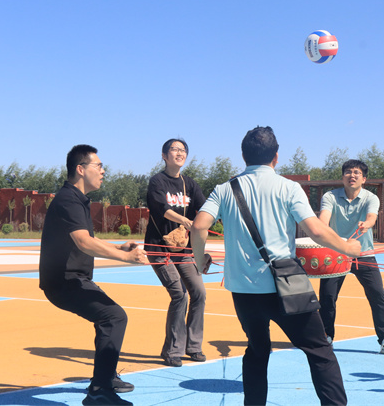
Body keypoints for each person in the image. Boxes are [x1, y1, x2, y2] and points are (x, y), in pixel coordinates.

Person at [190, 126, 361, 406]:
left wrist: (200, 260)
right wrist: (348, 248)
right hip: (286, 287)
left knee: (257, 350)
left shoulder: (224, 189)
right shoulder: (288, 187)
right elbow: (316, 231)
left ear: (243, 156)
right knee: (319, 351)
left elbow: (199, 226)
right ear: (276, 157)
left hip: (244, 291)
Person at [39, 144, 148, 406]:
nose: (103, 171)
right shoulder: (68, 200)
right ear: (80, 169)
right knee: (113, 316)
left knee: (110, 317)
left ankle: (105, 378)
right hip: (64, 282)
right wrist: (126, 258)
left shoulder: (77, 199)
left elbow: (89, 238)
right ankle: (99, 391)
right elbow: (83, 242)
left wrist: (118, 247)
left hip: (73, 279)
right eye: (98, 166)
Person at [318, 159, 384, 353]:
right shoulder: (330, 196)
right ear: (342, 177)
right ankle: (325, 337)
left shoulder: (371, 198)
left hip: (363, 253)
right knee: (327, 297)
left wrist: (367, 224)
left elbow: (371, 217)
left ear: (364, 179)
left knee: (377, 294)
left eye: (356, 173)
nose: (352, 175)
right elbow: (323, 219)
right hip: (336, 254)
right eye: (348, 172)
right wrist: (321, 229)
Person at [145, 138, 208, 368]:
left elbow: (204, 208)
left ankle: (193, 346)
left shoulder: (189, 184)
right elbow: (161, 208)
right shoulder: (157, 181)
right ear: (164, 155)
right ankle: (172, 350)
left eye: (183, 150)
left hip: (183, 249)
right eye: (174, 149)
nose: (179, 153)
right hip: (159, 248)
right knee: (179, 294)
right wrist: (184, 219)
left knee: (199, 292)